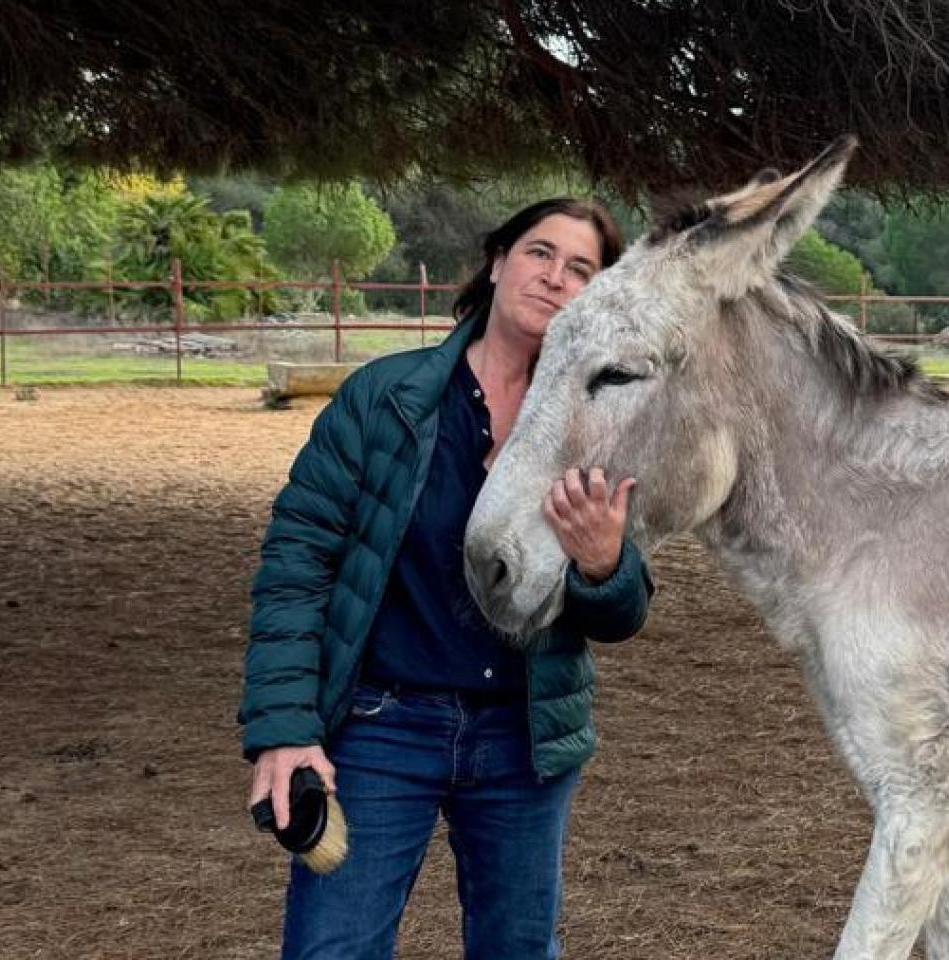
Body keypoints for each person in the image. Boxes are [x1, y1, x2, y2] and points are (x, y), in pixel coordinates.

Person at [238, 198, 652, 960]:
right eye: (539, 253)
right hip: (381, 729)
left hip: (523, 737)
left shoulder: (596, 429)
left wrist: (602, 564)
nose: (555, 277)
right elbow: (296, 567)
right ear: (497, 262)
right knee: (333, 950)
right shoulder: (382, 400)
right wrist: (284, 731)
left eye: (581, 270)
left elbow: (623, 610)